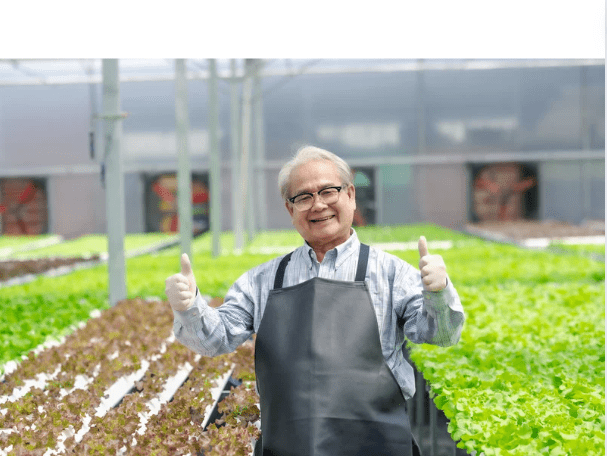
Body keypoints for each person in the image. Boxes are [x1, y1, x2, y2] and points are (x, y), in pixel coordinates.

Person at [165, 145, 465, 456]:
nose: (318, 205)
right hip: (288, 445)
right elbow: (215, 339)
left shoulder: (391, 273)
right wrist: (189, 307)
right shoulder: (263, 280)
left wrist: (438, 291)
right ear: (289, 209)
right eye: (303, 197)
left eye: (328, 191)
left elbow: (442, 335)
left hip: (378, 444)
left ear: (350, 194)